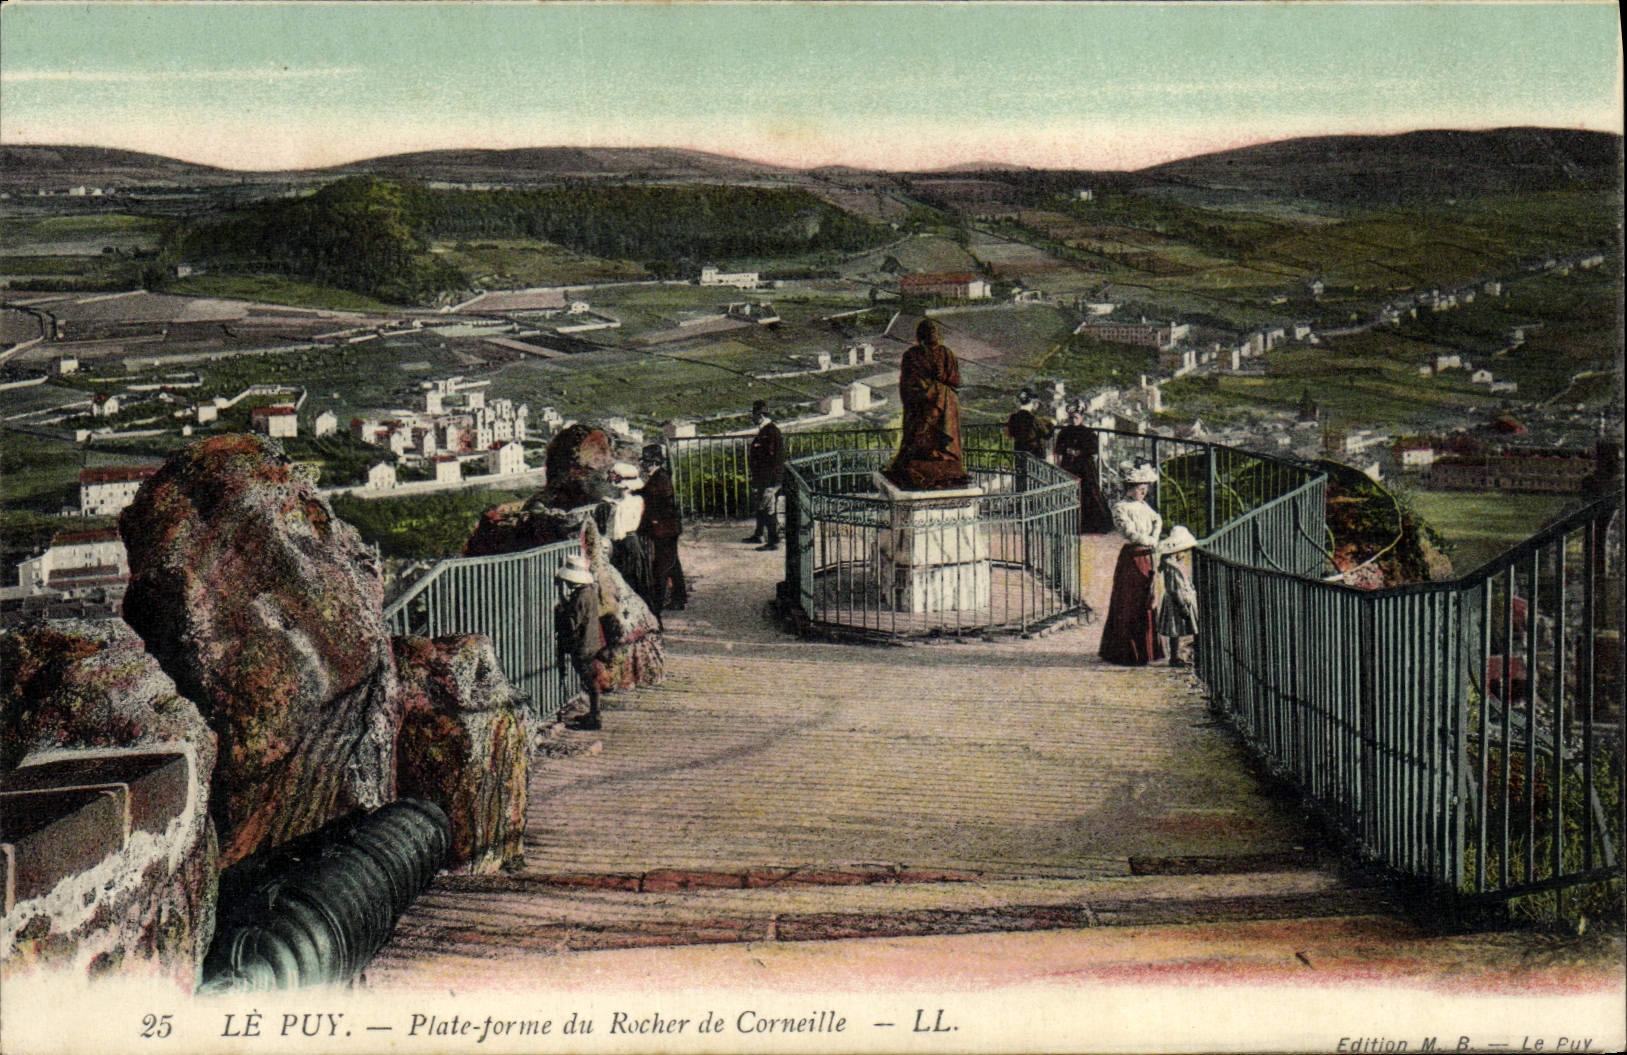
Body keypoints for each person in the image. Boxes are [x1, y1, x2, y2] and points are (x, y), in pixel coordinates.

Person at [885, 318, 968, 490]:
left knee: (942, 399)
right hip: (922, 403)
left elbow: (954, 379)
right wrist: (929, 390)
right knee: (930, 412)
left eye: (934, 331)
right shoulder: (913, 355)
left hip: (939, 401)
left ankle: (942, 456)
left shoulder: (945, 353)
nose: (932, 334)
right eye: (929, 332)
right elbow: (909, 383)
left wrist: (936, 387)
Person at [1099, 464, 1165, 666]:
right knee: (1130, 601)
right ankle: (1126, 651)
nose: (1143, 491)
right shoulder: (1120, 507)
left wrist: (1154, 536)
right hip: (1132, 557)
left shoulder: (1145, 506)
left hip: (1148, 556)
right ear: (1130, 487)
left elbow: (1157, 520)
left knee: (1148, 596)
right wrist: (1150, 540)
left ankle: (1148, 650)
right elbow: (1129, 533)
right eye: (1139, 487)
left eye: (1145, 488)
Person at [636, 443, 686, 624]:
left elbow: (652, 497)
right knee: (672, 563)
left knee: (661, 568)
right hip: (669, 529)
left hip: (664, 530)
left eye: (647, 462)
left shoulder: (659, 480)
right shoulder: (659, 477)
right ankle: (679, 597)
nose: (644, 466)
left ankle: (655, 606)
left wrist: (635, 494)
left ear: (654, 462)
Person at [554, 555, 603, 730]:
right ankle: (594, 714)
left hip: (583, 645)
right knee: (591, 681)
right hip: (592, 642)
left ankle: (595, 718)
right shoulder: (589, 591)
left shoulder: (580, 597)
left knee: (589, 681)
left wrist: (561, 613)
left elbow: (572, 622)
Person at [1053, 400, 1116, 534]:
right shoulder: (1064, 432)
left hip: (1084, 468)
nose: (1073, 420)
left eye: (1076, 418)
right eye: (1071, 418)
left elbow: (1093, 449)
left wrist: (1079, 452)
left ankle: (1091, 524)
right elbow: (1058, 449)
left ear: (1081, 418)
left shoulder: (1087, 433)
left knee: (1088, 492)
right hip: (1068, 466)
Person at [1157, 525, 1200, 668]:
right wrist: (1182, 604)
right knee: (1176, 629)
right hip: (1177, 601)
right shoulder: (1173, 568)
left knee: (1176, 630)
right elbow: (1175, 588)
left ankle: (1178, 655)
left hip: (1178, 598)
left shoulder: (1173, 566)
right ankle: (1176, 656)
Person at [743, 400, 784, 550]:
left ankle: (773, 541)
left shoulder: (770, 432)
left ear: (759, 415)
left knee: (767, 508)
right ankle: (759, 534)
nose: (752, 418)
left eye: (753, 415)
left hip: (769, 479)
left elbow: (772, 459)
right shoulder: (766, 431)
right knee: (761, 505)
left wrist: (769, 482)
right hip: (764, 478)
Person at [1005, 388, 1052, 461]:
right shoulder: (1033, 419)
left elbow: (1009, 434)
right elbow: (1046, 434)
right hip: (1033, 454)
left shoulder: (1013, 418)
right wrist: (1051, 424)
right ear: (1033, 403)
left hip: (1019, 452)